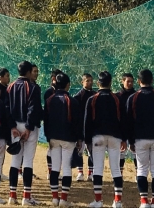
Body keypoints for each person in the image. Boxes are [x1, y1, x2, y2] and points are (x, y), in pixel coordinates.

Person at [126, 69, 154, 208]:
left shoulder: (133, 98)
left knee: (142, 170)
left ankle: (144, 201)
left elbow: (129, 121)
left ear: (139, 81)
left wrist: (130, 140)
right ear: (152, 80)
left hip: (140, 139)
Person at [84, 71, 126, 208]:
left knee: (97, 168)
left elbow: (87, 121)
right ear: (111, 83)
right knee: (116, 169)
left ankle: (98, 201)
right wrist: (124, 138)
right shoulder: (117, 99)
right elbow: (123, 120)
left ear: (98, 83)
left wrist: (87, 140)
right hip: (115, 137)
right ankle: (117, 201)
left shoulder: (92, 99)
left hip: (98, 136)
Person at [7, 60, 43, 206]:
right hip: (28, 126)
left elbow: (6, 108)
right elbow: (33, 108)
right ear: (28, 72)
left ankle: (12, 196)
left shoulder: (10, 86)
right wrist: (28, 128)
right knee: (27, 160)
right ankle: (26, 197)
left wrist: (12, 126)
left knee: (15, 160)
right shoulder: (33, 87)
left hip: (15, 126)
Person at [44, 72, 82, 207]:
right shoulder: (72, 101)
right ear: (68, 85)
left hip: (53, 137)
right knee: (66, 168)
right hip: (68, 138)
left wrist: (48, 137)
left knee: (55, 168)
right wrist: (79, 138)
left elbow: (46, 120)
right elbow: (77, 122)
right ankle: (64, 199)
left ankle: (55, 198)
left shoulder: (49, 100)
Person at [73, 73, 96, 181]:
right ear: (82, 82)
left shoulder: (95, 95)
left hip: (91, 128)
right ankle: (80, 173)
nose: (90, 82)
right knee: (79, 151)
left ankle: (91, 173)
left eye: (91, 80)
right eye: (87, 81)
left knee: (92, 151)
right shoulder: (78, 97)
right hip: (81, 128)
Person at [116, 73, 137, 175]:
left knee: (136, 153)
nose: (130, 83)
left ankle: (138, 174)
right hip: (121, 128)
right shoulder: (117, 96)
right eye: (128, 81)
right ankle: (119, 174)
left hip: (134, 128)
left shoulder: (137, 96)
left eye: (131, 82)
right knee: (121, 152)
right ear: (122, 81)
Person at [44, 69, 63, 173]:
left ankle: (56, 170)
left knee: (59, 149)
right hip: (51, 124)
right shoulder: (49, 92)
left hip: (60, 124)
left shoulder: (62, 92)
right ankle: (51, 171)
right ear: (53, 78)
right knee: (52, 148)